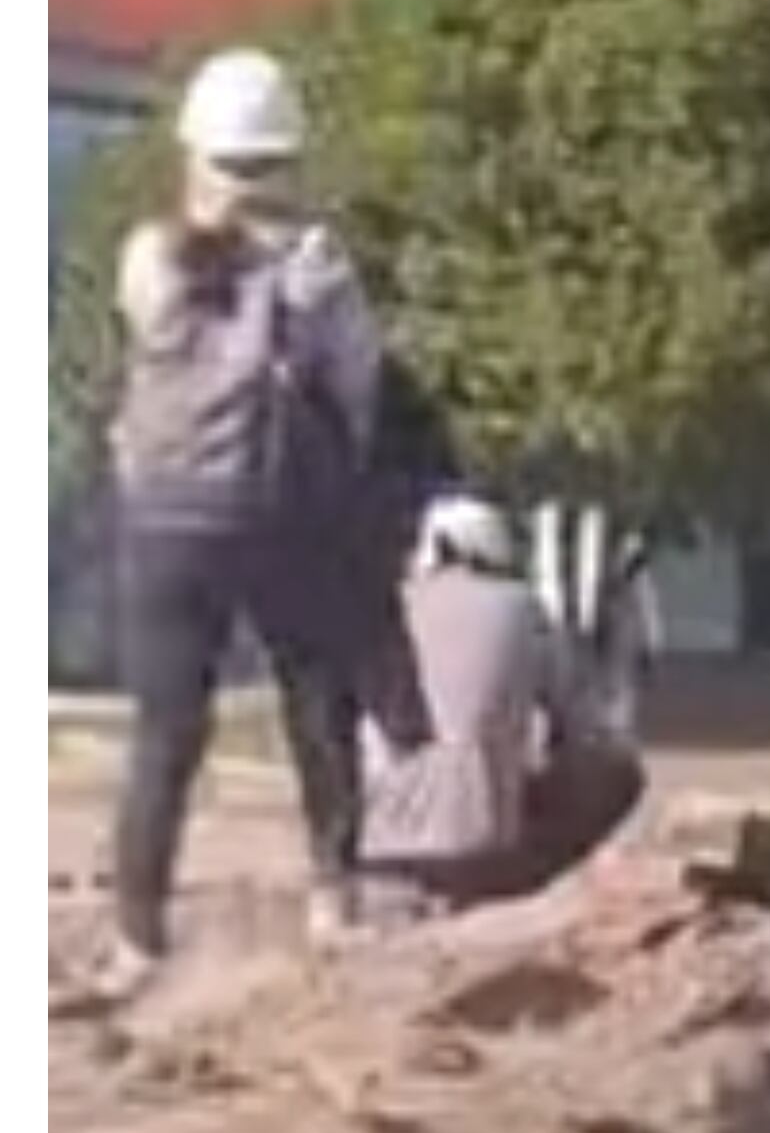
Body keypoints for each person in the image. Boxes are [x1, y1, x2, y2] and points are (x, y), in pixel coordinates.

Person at [104, 48, 392, 985]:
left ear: (194, 153)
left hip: (163, 518)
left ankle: (137, 936)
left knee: (164, 733)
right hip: (280, 513)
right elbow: (359, 386)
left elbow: (149, 335)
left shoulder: (146, 256)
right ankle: (333, 896)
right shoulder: (315, 266)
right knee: (318, 699)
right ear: (289, 159)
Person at [359, 495, 645, 910]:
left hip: (376, 844)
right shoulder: (522, 610)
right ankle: (525, 892)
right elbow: (585, 731)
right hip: (476, 842)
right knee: (617, 772)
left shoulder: (379, 612)